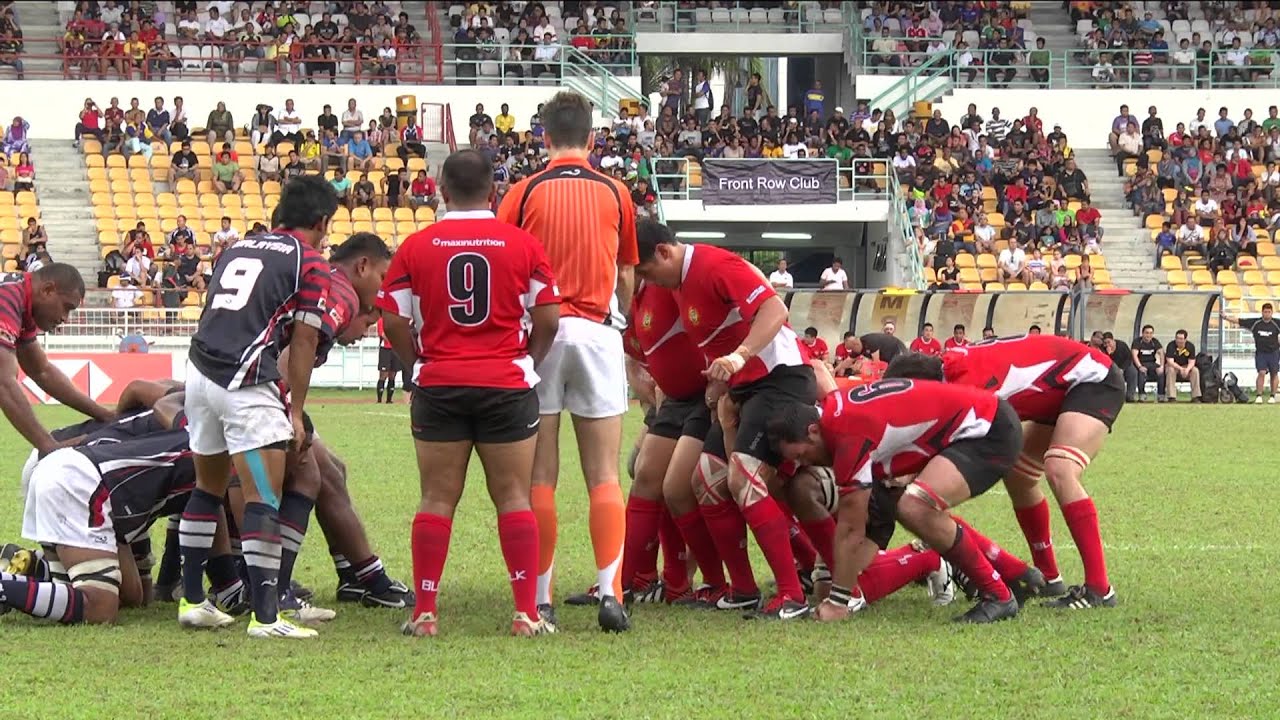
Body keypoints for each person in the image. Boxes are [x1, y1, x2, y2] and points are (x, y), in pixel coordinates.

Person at [377, 149, 561, 638]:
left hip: (441, 383)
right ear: (494, 192)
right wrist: (528, 360)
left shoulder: (416, 247)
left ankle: (426, 613)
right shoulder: (523, 245)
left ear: (439, 190)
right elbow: (549, 317)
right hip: (506, 383)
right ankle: (526, 613)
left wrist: (415, 362)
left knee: (436, 498)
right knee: (514, 497)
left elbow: (392, 318)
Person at [495, 91, 637, 633]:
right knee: (603, 473)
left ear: (544, 137)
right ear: (593, 138)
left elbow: (504, 258)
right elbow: (626, 275)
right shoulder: (616, 190)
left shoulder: (524, 190)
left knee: (541, 474)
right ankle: (610, 594)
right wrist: (619, 320)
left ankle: (542, 599)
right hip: (598, 332)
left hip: (542, 335)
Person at [175, 175, 339, 640]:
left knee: (207, 488)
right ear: (322, 222)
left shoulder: (237, 248)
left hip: (199, 374)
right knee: (262, 497)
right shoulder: (310, 263)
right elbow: (305, 340)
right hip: (245, 382)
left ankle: (192, 600)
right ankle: (267, 618)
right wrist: (296, 409)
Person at [634, 220, 814, 620]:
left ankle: (792, 594)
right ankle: (743, 588)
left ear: (664, 252)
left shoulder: (713, 264)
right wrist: (720, 385)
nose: (649, 283)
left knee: (743, 478)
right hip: (743, 389)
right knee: (706, 480)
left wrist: (740, 356)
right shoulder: (678, 283)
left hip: (778, 378)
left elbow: (774, 307)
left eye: (647, 272)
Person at [886, 333, 1123, 609]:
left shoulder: (968, 383)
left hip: (1093, 378)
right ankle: (1048, 576)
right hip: (1061, 385)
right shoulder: (952, 369)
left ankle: (1099, 589)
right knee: (1019, 474)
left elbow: (953, 447)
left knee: (1060, 468)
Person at [766, 377, 1024, 624]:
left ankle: (998, 594)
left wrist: (838, 602)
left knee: (917, 506)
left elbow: (850, 528)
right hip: (974, 424)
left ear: (813, 431)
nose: (805, 463)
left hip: (987, 428)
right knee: (907, 506)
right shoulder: (836, 416)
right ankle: (1019, 574)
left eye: (803, 454)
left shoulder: (846, 431)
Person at [0, 265, 116, 457]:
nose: (65, 318)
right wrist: (47, 445)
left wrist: (105, 415)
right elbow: (4, 381)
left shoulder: (22, 301)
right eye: (67, 308)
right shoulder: (6, 297)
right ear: (47, 290)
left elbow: (41, 371)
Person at [1249, 302, 1280, 403]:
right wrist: (1225, 317)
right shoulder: (1256, 323)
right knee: (1261, 372)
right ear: (1262, 312)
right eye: (1265, 312)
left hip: (1274, 352)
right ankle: (1259, 395)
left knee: (1274, 373)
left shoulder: (1276, 323)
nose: (1267, 314)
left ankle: (1272, 396)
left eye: (1269, 312)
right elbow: (1239, 321)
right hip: (1261, 353)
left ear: (1272, 313)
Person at [1164, 329, 1200, 402]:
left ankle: (1196, 396)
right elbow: (1170, 361)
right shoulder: (1171, 345)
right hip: (1174, 366)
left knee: (1195, 370)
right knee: (1170, 370)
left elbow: (1192, 361)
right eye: (1177, 338)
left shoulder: (1190, 346)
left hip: (1186, 366)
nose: (1178, 341)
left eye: (1181, 339)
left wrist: (1187, 369)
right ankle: (1171, 397)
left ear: (1185, 339)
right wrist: (1180, 369)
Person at [1102, 332, 1139, 403]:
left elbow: (1129, 358)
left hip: (1124, 366)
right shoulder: (1104, 350)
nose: (1107, 345)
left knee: (1133, 372)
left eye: (1109, 342)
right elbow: (1105, 361)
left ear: (1113, 340)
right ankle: (1115, 397)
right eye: (1105, 343)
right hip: (1112, 367)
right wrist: (1109, 355)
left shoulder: (1122, 345)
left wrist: (1122, 369)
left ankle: (1130, 396)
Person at [1131, 324, 1165, 402]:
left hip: (1152, 363)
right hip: (1140, 363)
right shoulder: (1137, 342)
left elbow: (1161, 353)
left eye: (1151, 333)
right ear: (1142, 333)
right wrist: (1139, 366)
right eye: (1147, 333)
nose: (1149, 335)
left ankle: (1161, 395)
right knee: (1141, 372)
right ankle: (1142, 395)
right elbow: (1134, 355)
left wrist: (1162, 366)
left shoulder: (1154, 341)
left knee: (1161, 373)